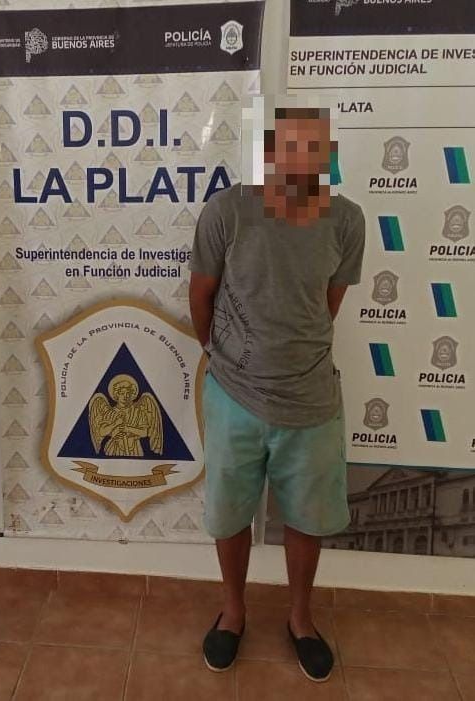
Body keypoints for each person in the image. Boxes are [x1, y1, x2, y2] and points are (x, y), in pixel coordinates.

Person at [188, 107, 365, 682]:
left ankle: (301, 620)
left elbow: (326, 307)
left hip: (311, 401)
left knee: (307, 519)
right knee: (229, 515)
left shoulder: (347, 221)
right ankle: (233, 613)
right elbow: (201, 297)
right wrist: (225, 356)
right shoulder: (226, 211)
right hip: (232, 396)